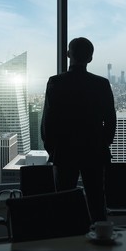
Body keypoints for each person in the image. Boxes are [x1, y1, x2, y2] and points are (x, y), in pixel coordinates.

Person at [41, 37, 117, 222]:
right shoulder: (101, 84)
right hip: (94, 151)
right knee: (97, 201)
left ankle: (67, 245)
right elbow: (111, 120)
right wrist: (102, 144)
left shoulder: (56, 82)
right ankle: (101, 242)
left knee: (64, 203)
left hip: (65, 151)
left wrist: (53, 149)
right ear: (90, 58)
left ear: (68, 54)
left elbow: (47, 123)